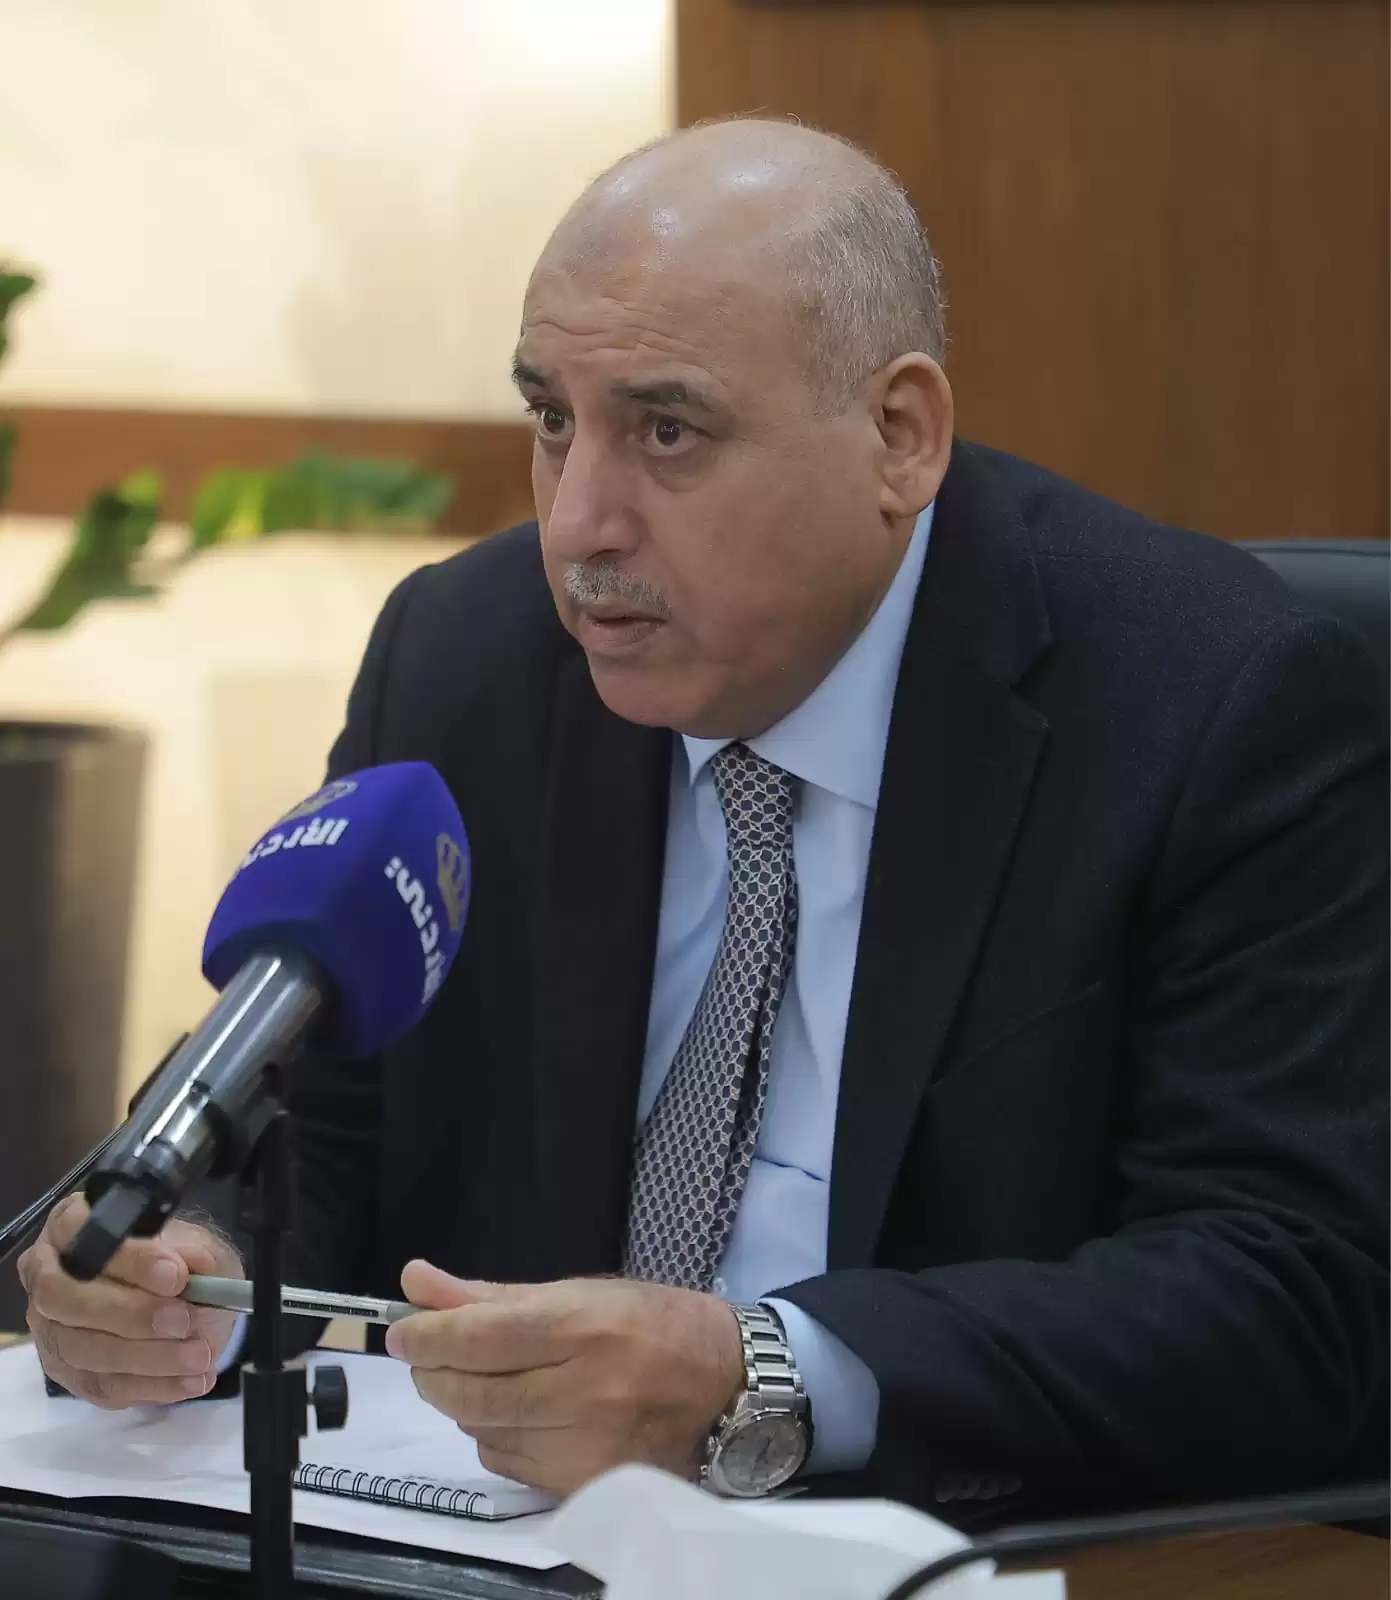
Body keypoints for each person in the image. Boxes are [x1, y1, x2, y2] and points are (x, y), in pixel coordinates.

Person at [19, 118, 1388, 1529]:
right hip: (496, 1545)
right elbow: (310, 1136)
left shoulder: (1206, 703)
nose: (577, 526)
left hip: (967, 1549)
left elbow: (1291, 1294)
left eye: (666, 431)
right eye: (554, 421)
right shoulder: (468, 662)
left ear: (899, 437)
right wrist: (178, 1271)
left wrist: (767, 1373)